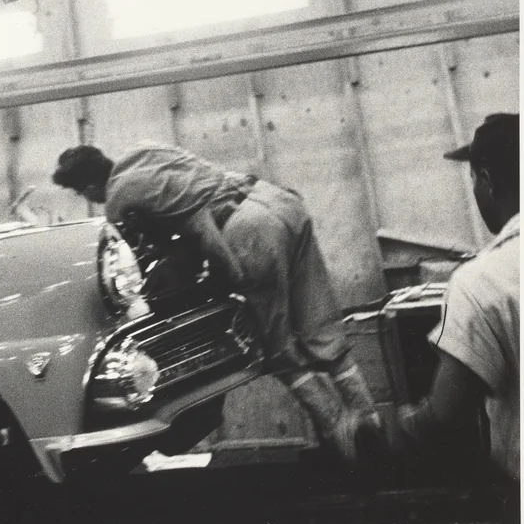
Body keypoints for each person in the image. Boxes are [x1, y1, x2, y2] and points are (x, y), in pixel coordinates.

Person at [53, 142, 381, 462]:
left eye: (82, 193)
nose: (90, 200)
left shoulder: (118, 201)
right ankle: (372, 424)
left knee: (278, 348)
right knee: (320, 324)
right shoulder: (143, 152)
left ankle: (342, 437)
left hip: (250, 230)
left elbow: (177, 240)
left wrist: (223, 276)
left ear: (91, 184)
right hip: (277, 201)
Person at [392, 112, 519, 481]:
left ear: (488, 181)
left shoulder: (482, 281)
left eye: (473, 180)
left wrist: (385, 433)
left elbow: (445, 417)